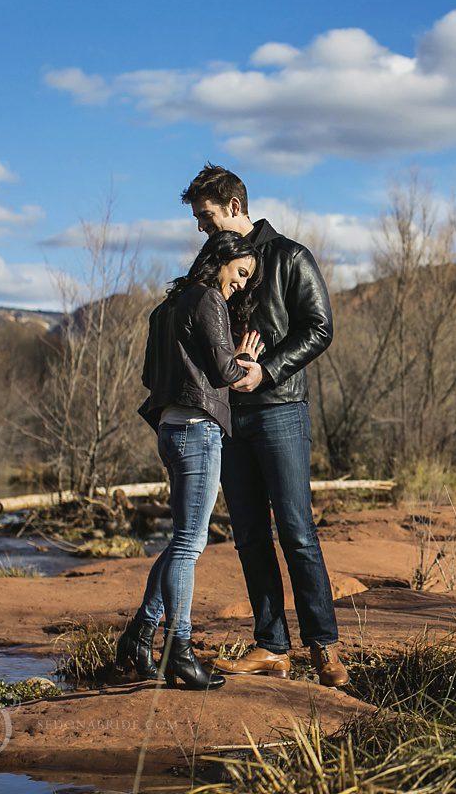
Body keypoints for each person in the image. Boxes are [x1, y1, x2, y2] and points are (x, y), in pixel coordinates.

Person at [180, 164, 348, 687]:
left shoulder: (291, 256)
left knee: (297, 531)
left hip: (280, 410)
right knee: (250, 534)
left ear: (234, 207)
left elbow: (320, 328)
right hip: (227, 416)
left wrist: (267, 370)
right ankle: (273, 647)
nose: (202, 230)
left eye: (207, 218)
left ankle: (324, 649)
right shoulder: (208, 261)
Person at [115, 230, 264, 691]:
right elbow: (224, 372)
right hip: (198, 430)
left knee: (183, 541)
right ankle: (178, 650)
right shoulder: (207, 299)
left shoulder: (167, 306)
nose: (240, 284)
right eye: (240, 273)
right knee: (189, 545)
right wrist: (244, 361)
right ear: (221, 259)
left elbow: (147, 375)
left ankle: (141, 634)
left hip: (170, 429)